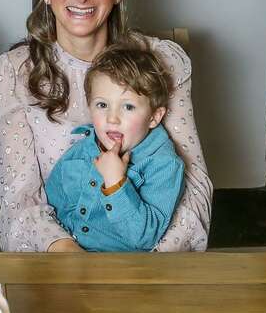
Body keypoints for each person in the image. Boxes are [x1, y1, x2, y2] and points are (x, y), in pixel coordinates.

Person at [0, 0, 212, 252]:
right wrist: (71, 258)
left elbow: (194, 186)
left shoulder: (162, 61)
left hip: (148, 260)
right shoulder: (16, 71)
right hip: (60, 255)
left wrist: (144, 267)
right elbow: (19, 200)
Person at [44, 41, 184, 251]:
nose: (112, 118)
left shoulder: (165, 165)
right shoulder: (82, 148)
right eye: (102, 105)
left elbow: (144, 237)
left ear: (154, 117)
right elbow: (51, 202)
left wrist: (115, 183)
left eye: (128, 106)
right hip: (67, 258)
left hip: (121, 270)